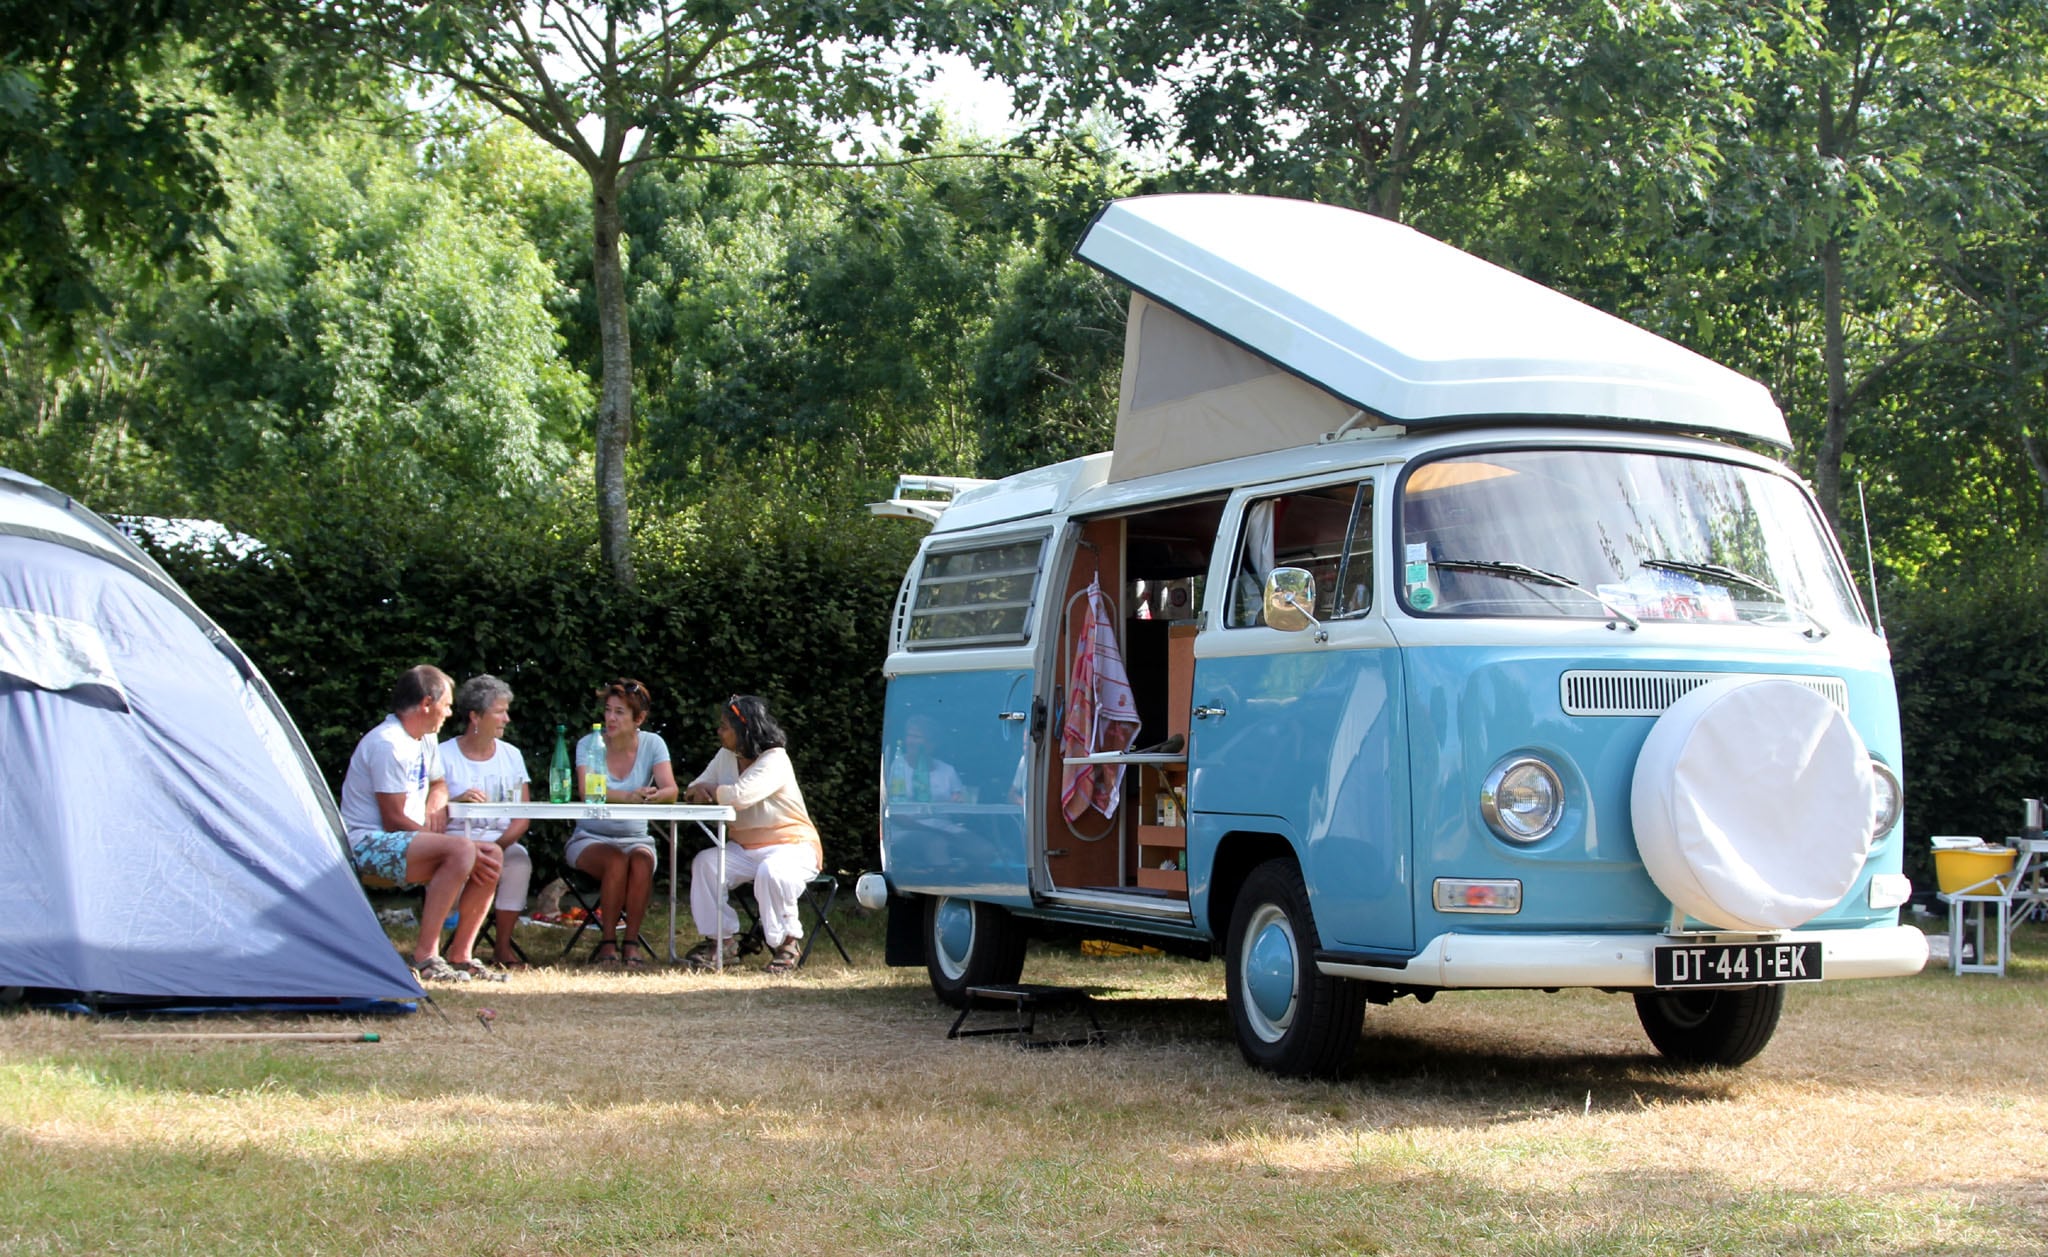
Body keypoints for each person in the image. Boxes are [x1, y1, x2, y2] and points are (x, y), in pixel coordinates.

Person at [338, 664, 506, 983]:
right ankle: (426, 957)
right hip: (365, 845)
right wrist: (438, 837)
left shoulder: (425, 738)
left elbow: (439, 784)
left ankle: (461, 956)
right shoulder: (388, 743)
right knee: (462, 850)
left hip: (406, 839)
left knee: (492, 855)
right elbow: (393, 819)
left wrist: (434, 810)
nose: (450, 712)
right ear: (427, 703)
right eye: (447, 704)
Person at [681, 694, 824, 975]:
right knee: (706, 863)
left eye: (724, 726)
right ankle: (723, 944)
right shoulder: (725, 756)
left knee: (772, 871)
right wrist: (700, 791)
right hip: (746, 848)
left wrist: (711, 791)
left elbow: (740, 796)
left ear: (743, 729)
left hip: (792, 846)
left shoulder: (776, 759)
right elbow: (693, 788)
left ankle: (787, 944)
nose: (719, 731)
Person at [568, 678, 677, 970]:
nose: (611, 718)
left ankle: (631, 943)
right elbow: (587, 791)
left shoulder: (653, 743)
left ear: (638, 719)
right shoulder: (589, 743)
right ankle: (607, 943)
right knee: (616, 860)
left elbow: (671, 789)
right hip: (590, 837)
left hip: (636, 837)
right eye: (608, 710)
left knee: (641, 861)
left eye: (619, 712)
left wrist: (655, 795)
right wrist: (628, 797)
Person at [440, 674, 533, 970]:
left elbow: (523, 815)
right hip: (455, 842)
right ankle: (446, 946)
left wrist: (499, 845)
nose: (507, 719)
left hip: (500, 840)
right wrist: (457, 801)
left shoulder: (512, 755)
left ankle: (502, 947)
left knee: (518, 862)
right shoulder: (443, 755)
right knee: (470, 860)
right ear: (475, 717)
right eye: (499, 712)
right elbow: (430, 813)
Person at [890, 714, 966, 803]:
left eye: (916, 737)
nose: (910, 741)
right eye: (909, 736)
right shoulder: (897, 766)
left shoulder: (948, 771)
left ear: (932, 744)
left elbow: (960, 804)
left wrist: (958, 801)